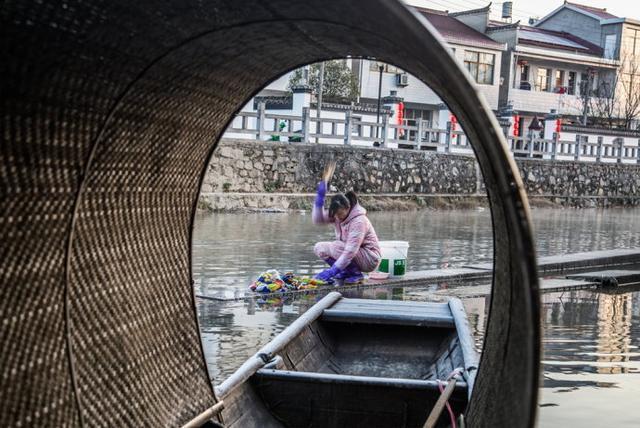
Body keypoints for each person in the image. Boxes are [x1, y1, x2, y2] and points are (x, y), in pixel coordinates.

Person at [312, 181, 381, 284]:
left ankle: (356, 274)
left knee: (336, 246)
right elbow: (318, 219)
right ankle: (346, 271)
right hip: (353, 254)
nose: (337, 218)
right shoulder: (338, 215)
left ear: (348, 208)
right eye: (335, 215)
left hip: (369, 259)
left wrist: (332, 271)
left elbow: (350, 251)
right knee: (319, 248)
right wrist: (319, 200)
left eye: (340, 214)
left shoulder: (359, 221)